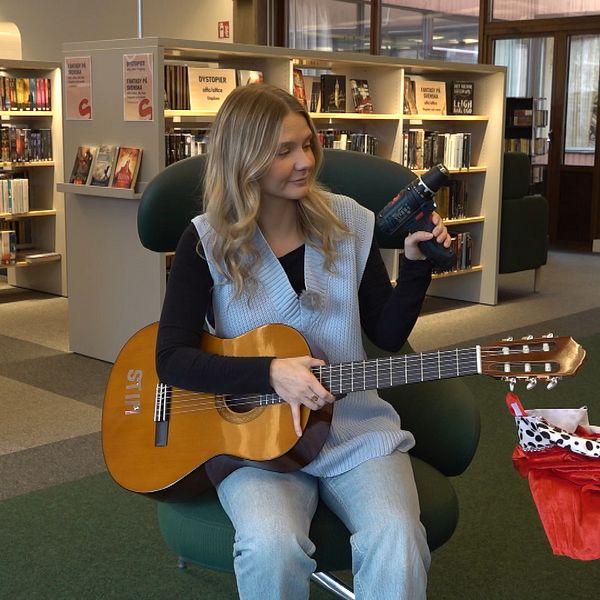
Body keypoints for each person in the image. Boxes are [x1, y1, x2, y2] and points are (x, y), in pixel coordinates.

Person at [156, 83, 452, 600]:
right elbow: (171, 360)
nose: (305, 162)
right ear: (244, 159)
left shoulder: (349, 223)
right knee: (272, 545)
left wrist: (415, 265)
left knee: (398, 535)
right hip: (253, 444)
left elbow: (385, 334)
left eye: (308, 144)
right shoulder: (206, 242)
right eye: (283, 151)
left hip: (354, 432)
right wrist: (271, 373)